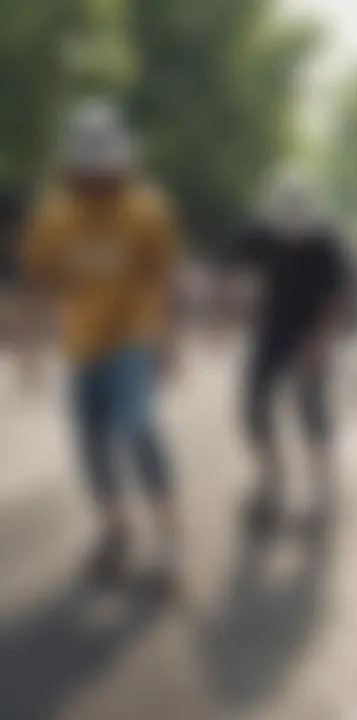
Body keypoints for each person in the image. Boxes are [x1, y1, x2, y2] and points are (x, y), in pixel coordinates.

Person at [20, 99, 182, 587]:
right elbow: (40, 281)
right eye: (86, 171)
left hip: (131, 337)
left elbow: (162, 276)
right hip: (80, 343)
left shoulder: (145, 209)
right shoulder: (55, 214)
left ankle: (168, 538)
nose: (96, 180)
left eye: (104, 169)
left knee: (135, 430)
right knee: (89, 446)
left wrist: (169, 339)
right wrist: (31, 346)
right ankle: (115, 530)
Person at [223, 170, 349, 538]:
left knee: (312, 409)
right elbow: (230, 266)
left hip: (313, 325)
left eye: (299, 230)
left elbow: (336, 301)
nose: (292, 237)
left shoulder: (326, 244)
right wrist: (224, 308)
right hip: (273, 324)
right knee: (253, 406)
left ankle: (321, 495)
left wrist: (319, 345)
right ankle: (271, 481)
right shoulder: (261, 234)